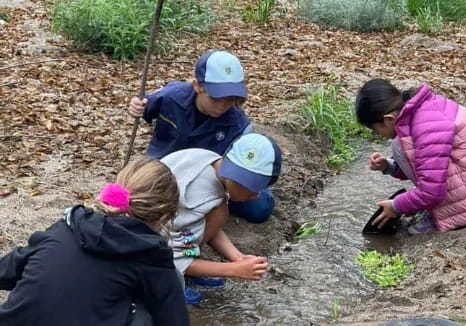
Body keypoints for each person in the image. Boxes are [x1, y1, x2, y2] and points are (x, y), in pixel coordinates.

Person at [0, 158, 189, 326]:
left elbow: (7, 270)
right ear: (163, 217)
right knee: (152, 304)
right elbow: (174, 319)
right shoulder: (151, 256)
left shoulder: (69, 225)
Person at [355, 78, 466, 234]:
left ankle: (443, 214)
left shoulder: (426, 128)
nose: (379, 135)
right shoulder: (425, 107)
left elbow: (432, 191)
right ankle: (439, 208)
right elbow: (427, 164)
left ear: (388, 119)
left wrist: (396, 206)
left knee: (398, 145)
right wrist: (389, 166)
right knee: (400, 146)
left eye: (375, 130)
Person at [128, 49, 274, 224]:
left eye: (229, 99)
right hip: (164, 169)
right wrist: (138, 106)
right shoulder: (171, 97)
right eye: (215, 98)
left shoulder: (237, 124)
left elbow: (239, 165)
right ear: (197, 86)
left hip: (209, 178)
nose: (222, 106)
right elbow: (145, 105)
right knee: (141, 198)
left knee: (259, 208)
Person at [160, 133, 281, 304]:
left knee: (219, 212)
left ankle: (189, 265)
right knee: (219, 212)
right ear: (235, 178)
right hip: (143, 248)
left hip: (169, 226)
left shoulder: (209, 161)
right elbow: (176, 258)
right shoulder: (195, 200)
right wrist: (234, 269)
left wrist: (237, 257)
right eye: (253, 189)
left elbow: (198, 228)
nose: (255, 196)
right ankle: (168, 281)